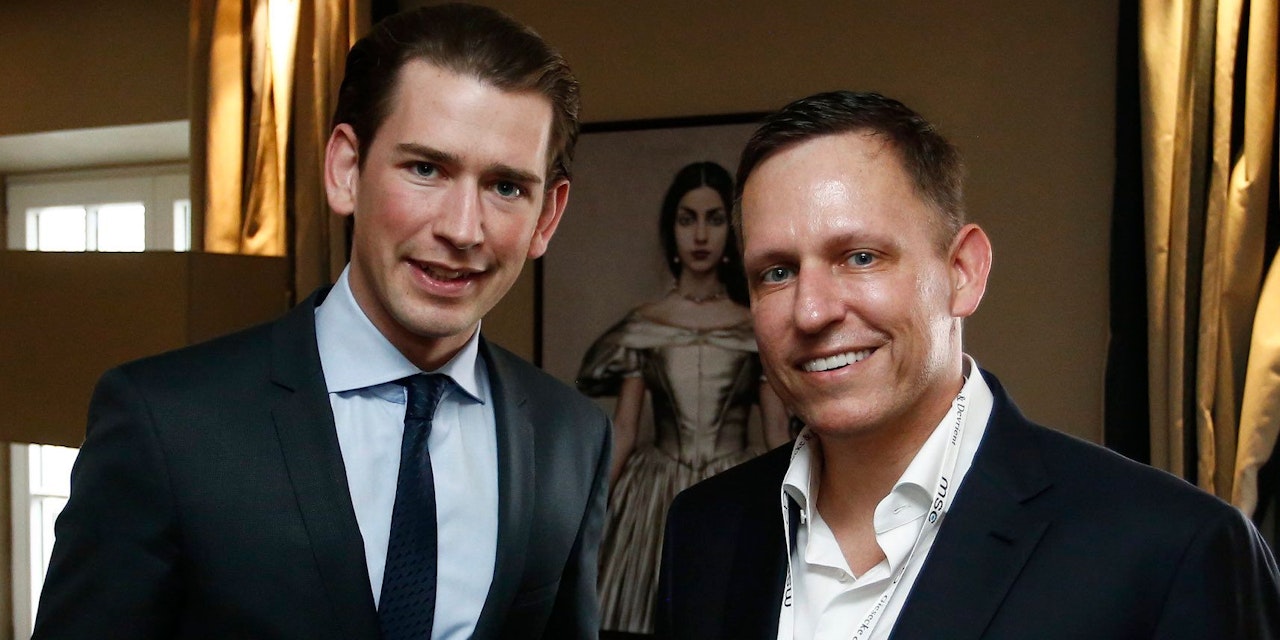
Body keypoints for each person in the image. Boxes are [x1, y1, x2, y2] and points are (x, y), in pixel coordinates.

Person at [33, 4, 610, 639]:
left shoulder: (571, 437)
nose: (462, 229)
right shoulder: (165, 422)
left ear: (547, 216)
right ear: (345, 171)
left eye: (506, 187)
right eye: (425, 169)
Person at [655, 91, 1280, 639]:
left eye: (860, 257)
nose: (812, 310)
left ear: (963, 272)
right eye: (777, 272)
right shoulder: (706, 530)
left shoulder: (1170, 549)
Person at [576, 161, 790, 635]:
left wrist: (805, 509)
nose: (700, 235)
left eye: (714, 219)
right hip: (652, 495)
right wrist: (584, 515)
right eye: (687, 219)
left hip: (737, 487)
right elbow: (625, 429)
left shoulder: (754, 325)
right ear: (670, 229)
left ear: (732, 230)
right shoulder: (645, 323)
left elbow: (778, 431)